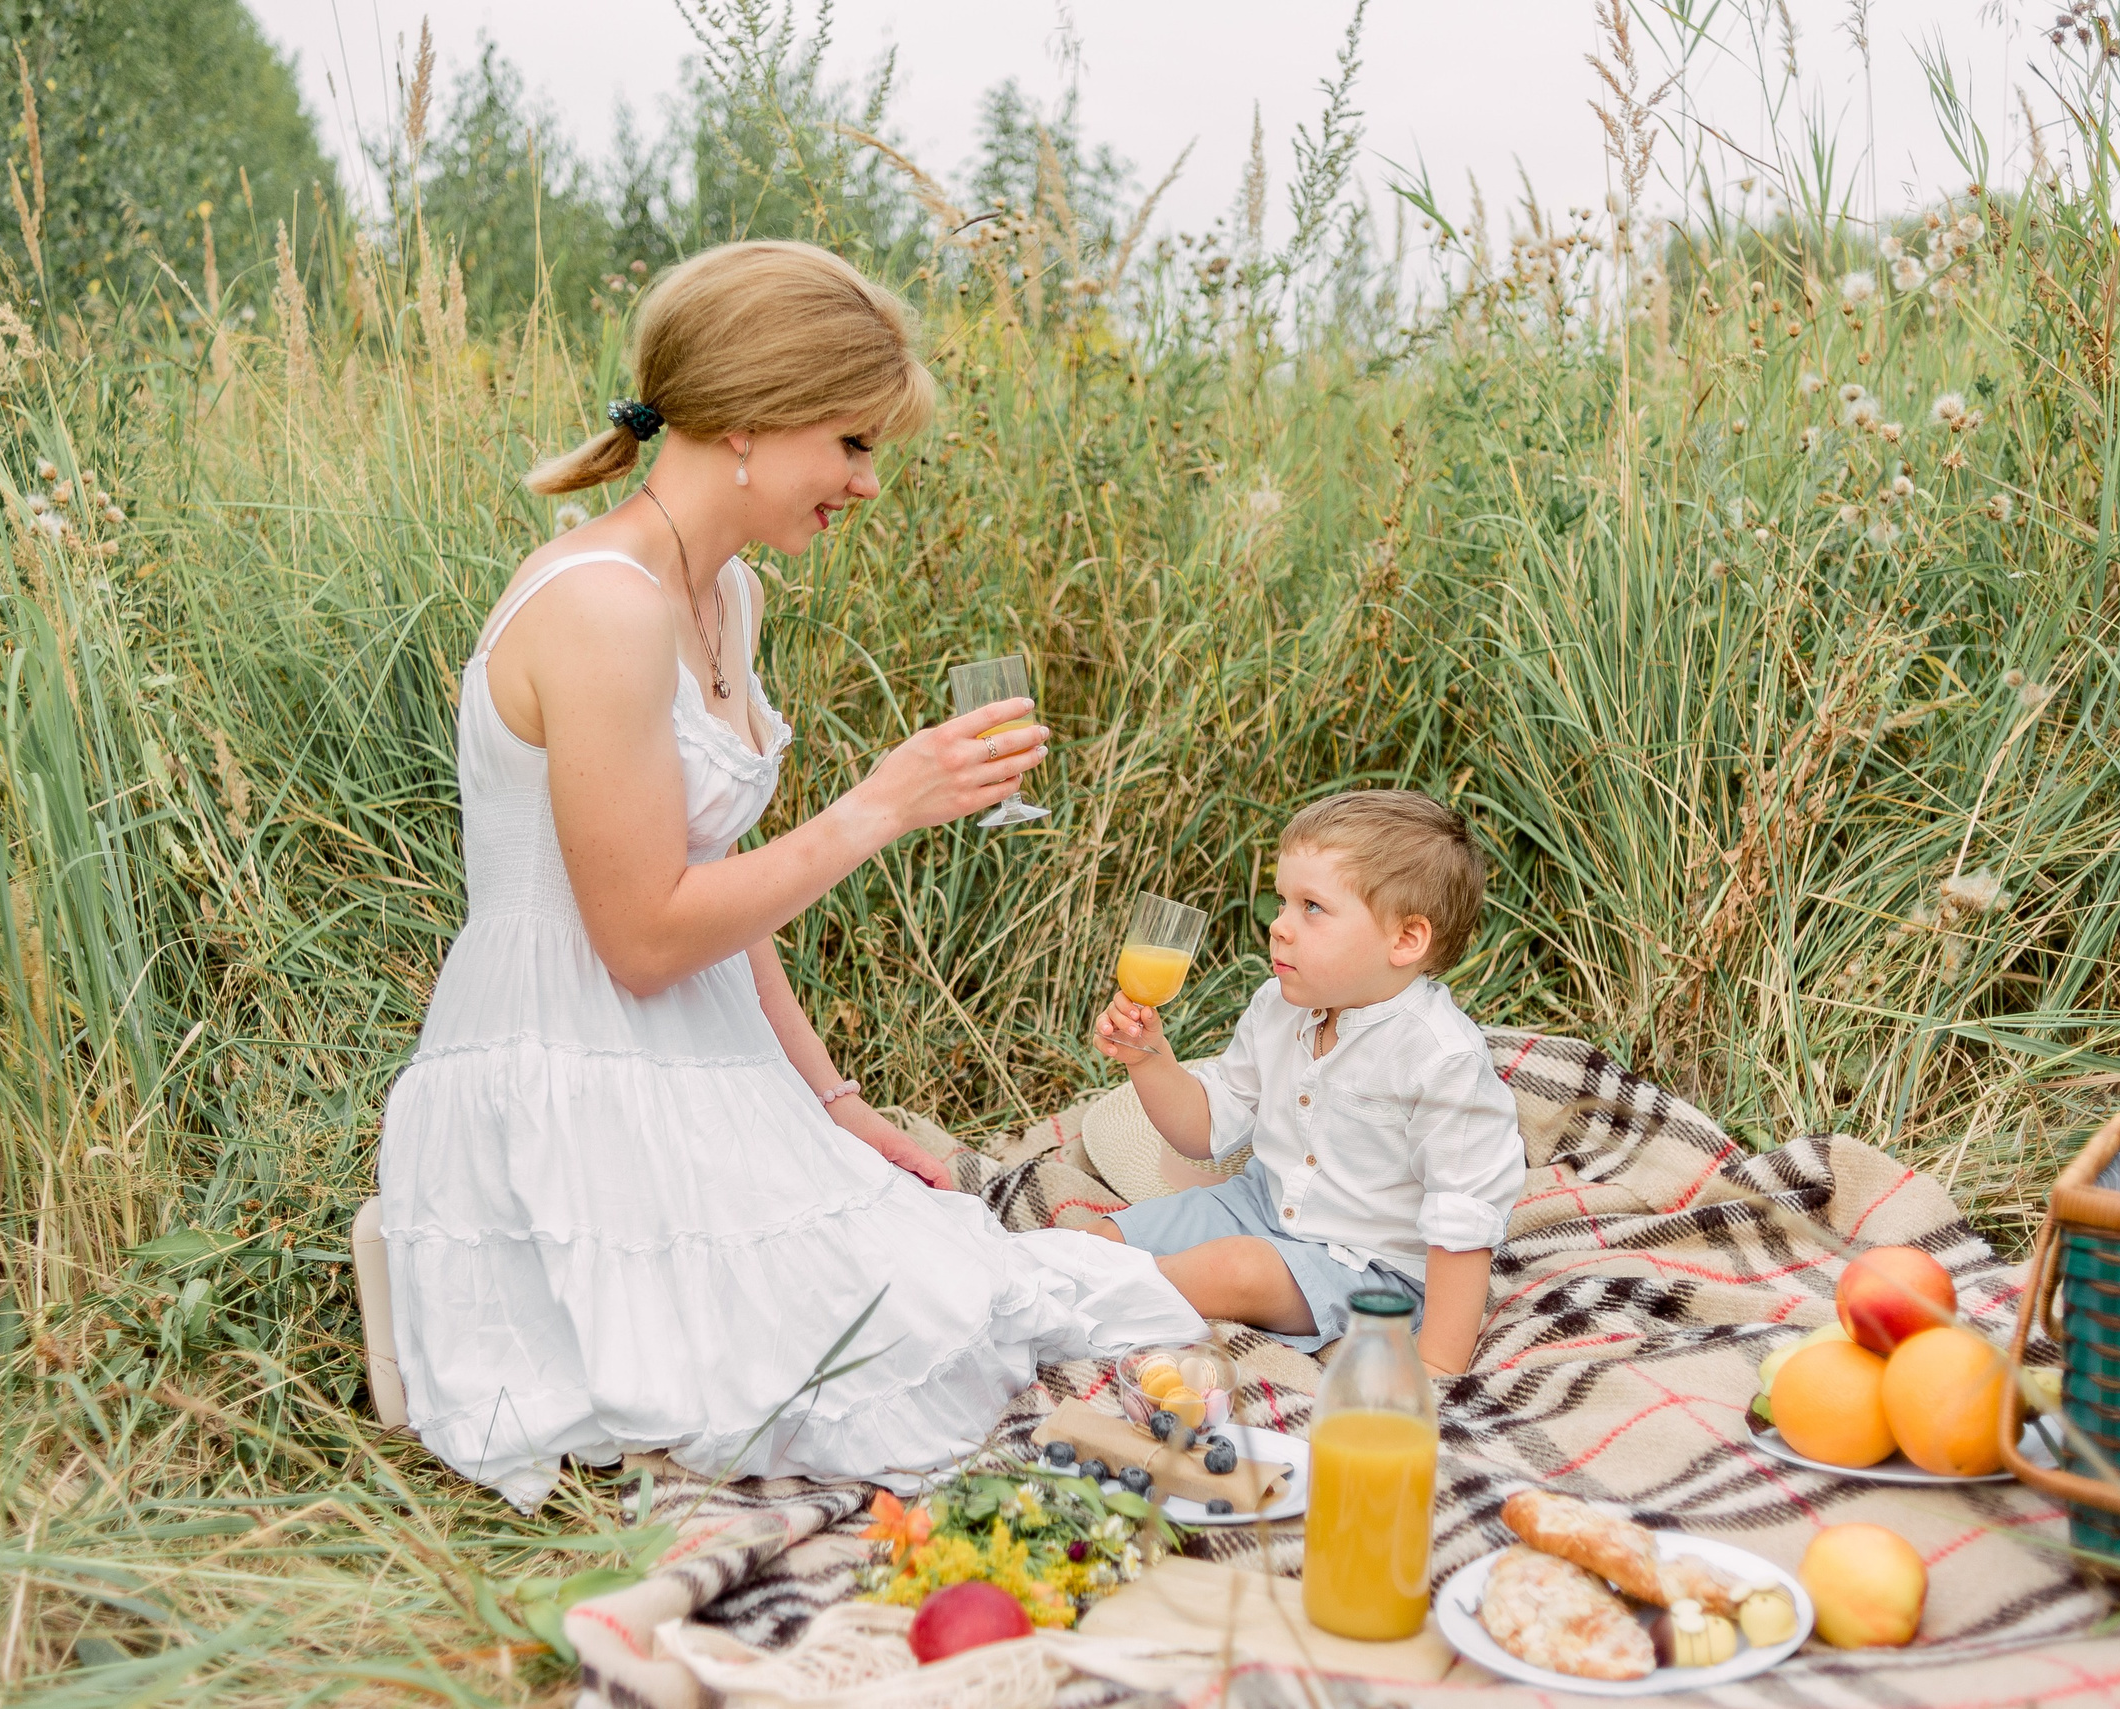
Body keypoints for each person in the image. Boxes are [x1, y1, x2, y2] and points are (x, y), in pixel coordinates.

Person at [377, 240, 1202, 1509]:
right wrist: (878, 806)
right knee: (873, 1367)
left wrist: (835, 1105)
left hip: (700, 1061)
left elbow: (718, 891)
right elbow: (644, 938)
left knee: (964, 1294)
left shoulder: (728, 593)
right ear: (752, 423)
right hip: (564, 1071)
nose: (869, 483)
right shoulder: (603, 607)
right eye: (854, 443)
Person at [1085, 791, 1523, 1378]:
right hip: (1256, 1207)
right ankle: (1051, 1279)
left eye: (1312, 907)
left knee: (1234, 1271)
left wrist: (1438, 1365)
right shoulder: (1278, 1007)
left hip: (1370, 1267)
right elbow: (1205, 1129)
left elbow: (1462, 1216)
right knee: (1100, 1239)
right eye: (1282, 901)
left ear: (1405, 940)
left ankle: (1077, 1310)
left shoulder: (1442, 1060)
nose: (1279, 926)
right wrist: (1148, 1059)